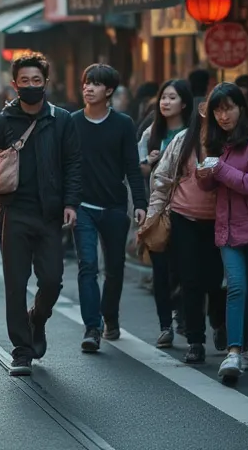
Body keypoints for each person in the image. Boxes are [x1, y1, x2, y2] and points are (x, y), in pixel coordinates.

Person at [0, 53, 83, 376]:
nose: (31, 85)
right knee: (15, 283)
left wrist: (70, 203)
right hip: (13, 212)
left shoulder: (62, 120)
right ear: (14, 84)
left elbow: (73, 164)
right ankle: (21, 350)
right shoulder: (2, 123)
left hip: (50, 213)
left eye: (36, 80)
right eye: (24, 81)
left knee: (51, 280)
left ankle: (37, 317)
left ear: (46, 83)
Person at [195, 82, 248, 386]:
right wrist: (204, 175)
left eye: (228, 108)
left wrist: (220, 171)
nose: (223, 116)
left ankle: (243, 349)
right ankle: (232, 353)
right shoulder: (219, 141)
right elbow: (212, 184)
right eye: (217, 111)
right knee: (236, 288)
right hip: (228, 229)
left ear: (241, 108)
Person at [70, 64, 147, 352]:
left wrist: (140, 203)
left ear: (109, 90)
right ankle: (92, 327)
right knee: (88, 266)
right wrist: (67, 203)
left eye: (95, 84)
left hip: (114, 206)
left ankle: (110, 316)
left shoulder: (123, 124)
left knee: (114, 269)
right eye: (86, 82)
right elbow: (66, 165)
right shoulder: (72, 122)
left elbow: (132, 167)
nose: (88, 88)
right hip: (83, 207)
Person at [148, 106, 227, 364]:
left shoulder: (227, 139)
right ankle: (195, 341)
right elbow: (162, 178)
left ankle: (219, 322)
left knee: (216, 280)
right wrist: (154, 213)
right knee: (190, 280)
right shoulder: (183, 140)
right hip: (183, 218)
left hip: (218, 220)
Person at [136, 78, 194, 347]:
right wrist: (149, 162)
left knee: (184, 267)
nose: (166, 102)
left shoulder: (194, 134)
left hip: (187, 209)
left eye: (172, 98)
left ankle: (183, 313)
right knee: (160, 270)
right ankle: (165, 326)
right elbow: (139, 168)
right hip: (158, 210)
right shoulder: (151, 134)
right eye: (163, 97)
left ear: (184, 103)